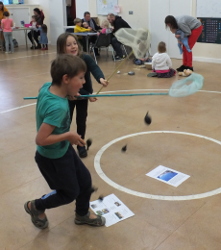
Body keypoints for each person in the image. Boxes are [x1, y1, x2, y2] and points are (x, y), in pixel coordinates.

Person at [24, 54, 106, 229]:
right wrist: (68, 136)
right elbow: (41, 139)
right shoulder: (58, 108)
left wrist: (69, 94)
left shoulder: (47, 87)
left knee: (84, 180)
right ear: (66, 79)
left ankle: (82, 214)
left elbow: (53, 94)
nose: (84, 82)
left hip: (62, 150)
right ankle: (36, 206)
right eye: (81, 78)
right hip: (52, 156)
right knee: (69, 193)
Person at [57, 33, 108, 158]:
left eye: (74, 43)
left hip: (83, 95)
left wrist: (100, 78)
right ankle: (65, 144)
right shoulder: (61, 63)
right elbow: (62, 83)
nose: (73, 47)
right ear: (62, 48)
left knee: (81, 120)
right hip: (67, 97)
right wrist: (80, 94)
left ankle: (81, 144)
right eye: (68, 45)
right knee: (65, 121)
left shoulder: (85, 57)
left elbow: (94, 68)